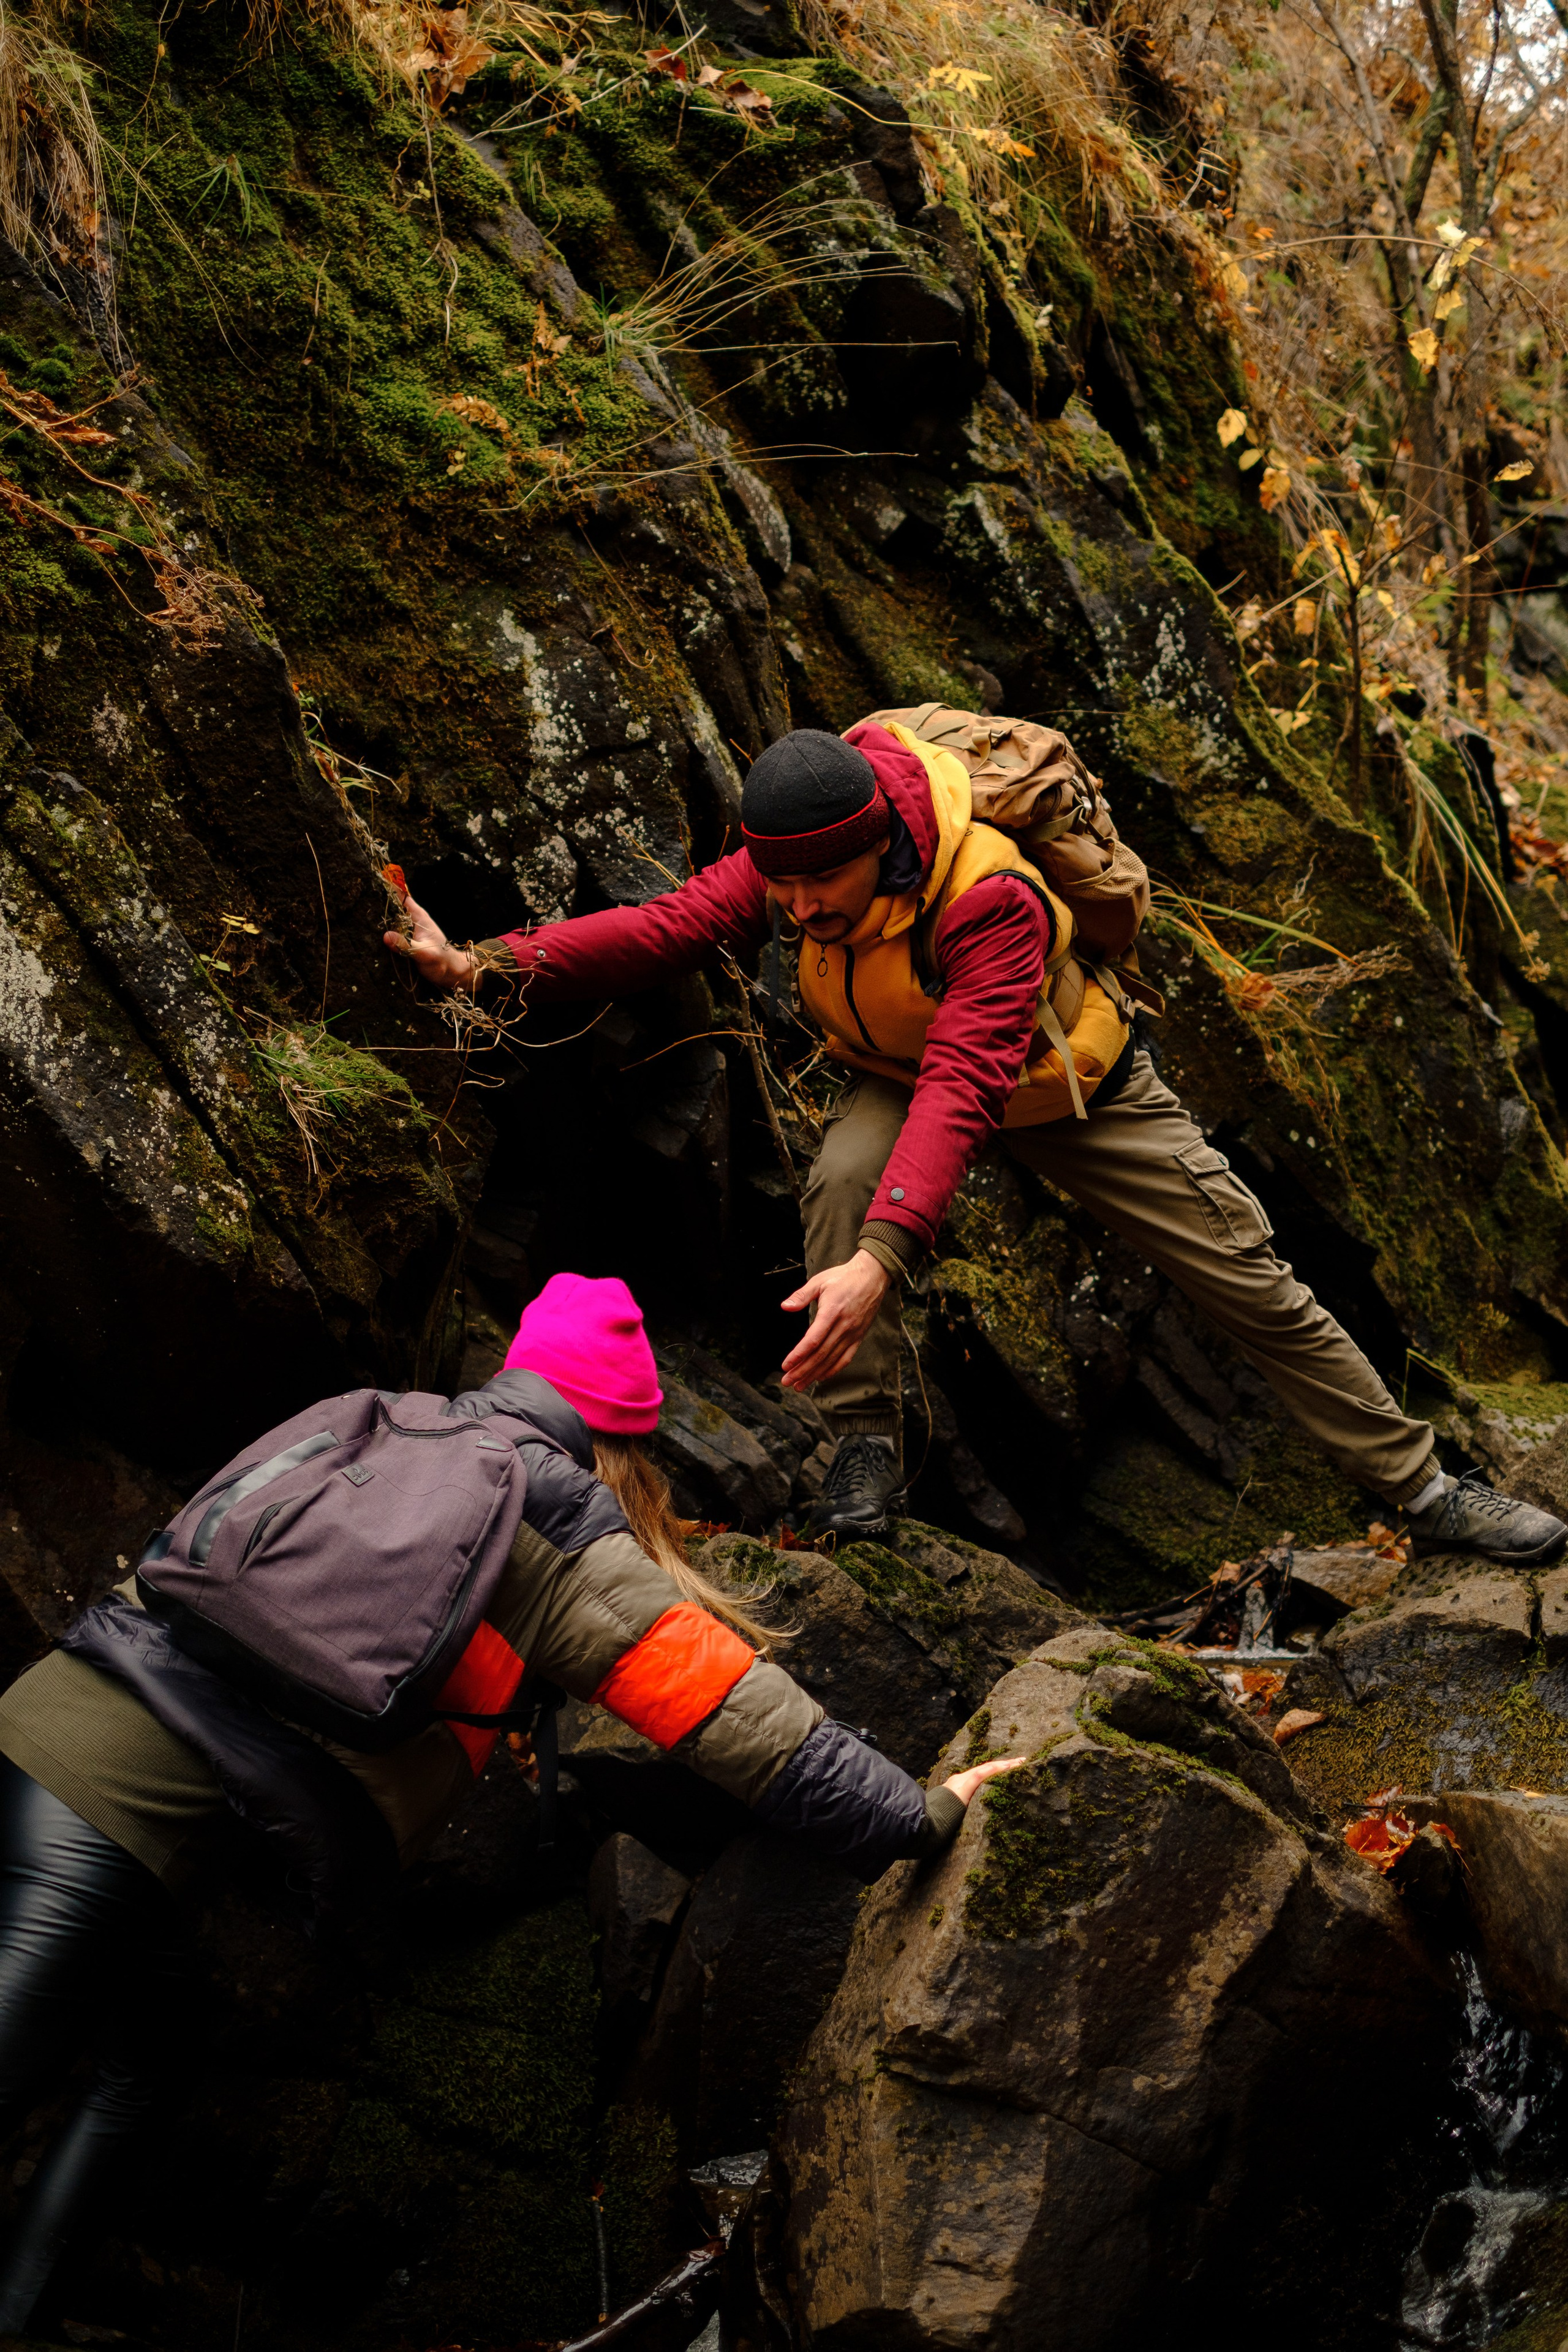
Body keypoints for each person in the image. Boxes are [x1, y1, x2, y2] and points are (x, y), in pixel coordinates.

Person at [0, 1273, 1023, 2335]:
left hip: (41, 1725)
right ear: (620, 1437)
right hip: (112, 1811)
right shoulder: (528, 1501)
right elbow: (721, 1704)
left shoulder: (394, 1421)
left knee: (149, 2056)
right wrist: (913, 1813)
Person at [387, 718, 1568, 1565]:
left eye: (822, 891)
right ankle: (862, 1445)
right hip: (905, 1070)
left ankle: (1421, 1484)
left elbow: (971, 1076)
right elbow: (662, 929)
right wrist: (481, 966)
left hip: (1070, 1085)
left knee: (1245, 1274)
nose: (797, 914)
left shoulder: (985, 892)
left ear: (880, 843)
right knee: (844, 1173)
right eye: (782, 893)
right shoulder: (796, 855)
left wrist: (884, 1261)